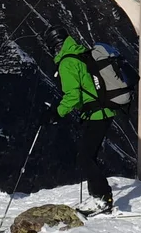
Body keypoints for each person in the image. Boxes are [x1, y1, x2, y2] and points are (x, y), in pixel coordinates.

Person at [46, 36, 127, 209]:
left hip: (97, 114)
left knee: (85, 157)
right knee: (88, 155)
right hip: (101, 111)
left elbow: (73, 96)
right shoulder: (81, 54)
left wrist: (56, 113)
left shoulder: (67, 63)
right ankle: (96, 195)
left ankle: (103, 198)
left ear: (55, 47)